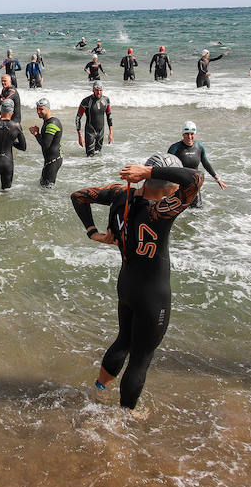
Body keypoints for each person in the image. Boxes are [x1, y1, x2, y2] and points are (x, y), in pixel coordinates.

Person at [72, 153, 204, 411]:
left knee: (123, 339)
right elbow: (196, 179)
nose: (177, 188)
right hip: (153, 294)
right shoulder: (161, 211)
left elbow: (79, 196)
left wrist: (92, 232)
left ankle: (98, 389)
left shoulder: (122, 195)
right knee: (141, 358)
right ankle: (125, 416)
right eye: (173, 185)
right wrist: (149, 173)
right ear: (168, 187)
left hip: (126, 286)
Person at [168, 121, 226, 206]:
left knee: (197, 212)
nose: (189, 137)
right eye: (187, 134)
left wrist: (218, 179)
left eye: (192, 134)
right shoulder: (175, 148)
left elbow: (206, 163)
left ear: (195, 134)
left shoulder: (199, 147)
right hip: (178, 186)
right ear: (182, 134)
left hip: (194, 186)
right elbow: (167, 167)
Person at [28, 97, 63, 187]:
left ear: (47, 109)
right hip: (50, 160)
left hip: (53, 160)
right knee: (43, 186)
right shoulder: (47, 121)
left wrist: (36, 134)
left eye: (41, 109)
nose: (38, 111)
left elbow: (46, 145)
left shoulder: (52, 123)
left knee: (48, 190)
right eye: (37, 109)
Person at [76, 84, 113, 156]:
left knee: (98, 156)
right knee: (89, 157)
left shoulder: (106, 100)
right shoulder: (86, 101)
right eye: (97, 90)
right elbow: (78, 118)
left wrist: (111, 132)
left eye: (100, 90)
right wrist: (80, 136)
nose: (99, 92)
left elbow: (109, 116)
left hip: (101, 132)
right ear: (93, 90)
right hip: (90, 132)